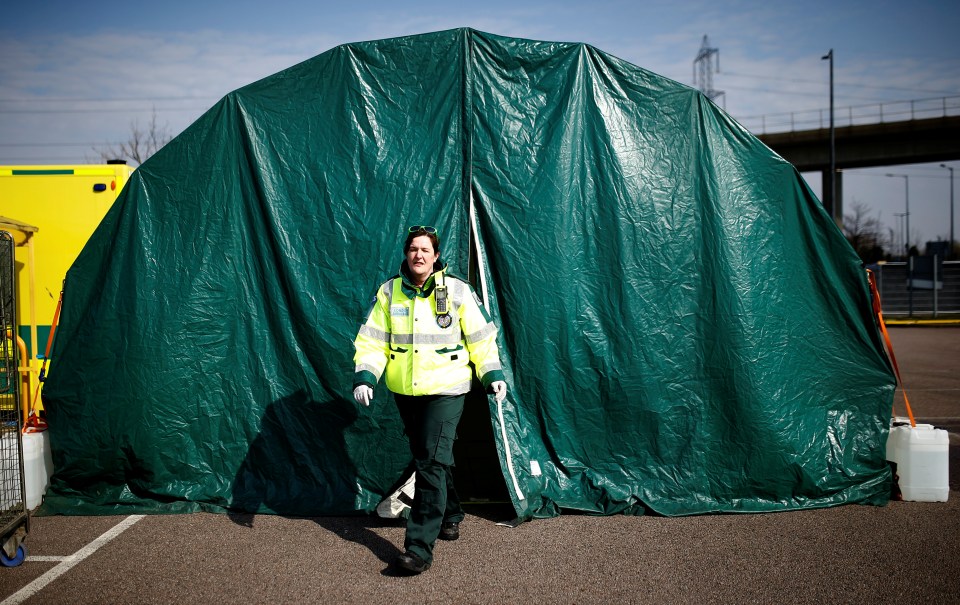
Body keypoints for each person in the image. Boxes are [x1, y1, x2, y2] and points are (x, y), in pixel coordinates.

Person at [352, 225, 508, 575]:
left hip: (447, 389)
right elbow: (372, 340)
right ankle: (451, 513)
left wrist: (491, 373)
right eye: (413, 249)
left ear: (436, 256)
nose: (419, 255)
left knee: (430, 462)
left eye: (425, 250)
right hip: (406, 393)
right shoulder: (390, 292)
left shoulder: (456, 290)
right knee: (431, 456)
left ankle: (418, 548)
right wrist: (366, 375)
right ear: (406, 255)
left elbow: (481, 337)